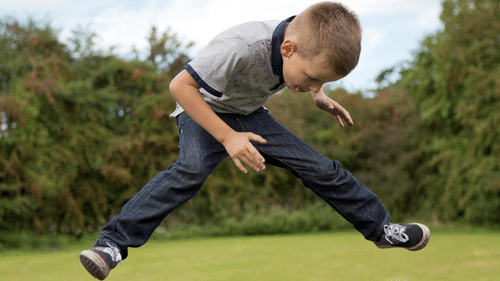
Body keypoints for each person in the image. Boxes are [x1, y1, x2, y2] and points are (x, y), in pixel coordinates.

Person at [80, 2, 430, 280]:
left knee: (321, 169)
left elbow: (311, 65)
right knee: (191, 168)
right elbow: (180, 87)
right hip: (202, 110)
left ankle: (382, 230)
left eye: (318, 81)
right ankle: (112, 245)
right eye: (309, 80)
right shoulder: (242, 46)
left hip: (250, 113)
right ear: (288, 48)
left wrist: (318, 95)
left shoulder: (304, 44)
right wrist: (228, 137)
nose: (308, 86)